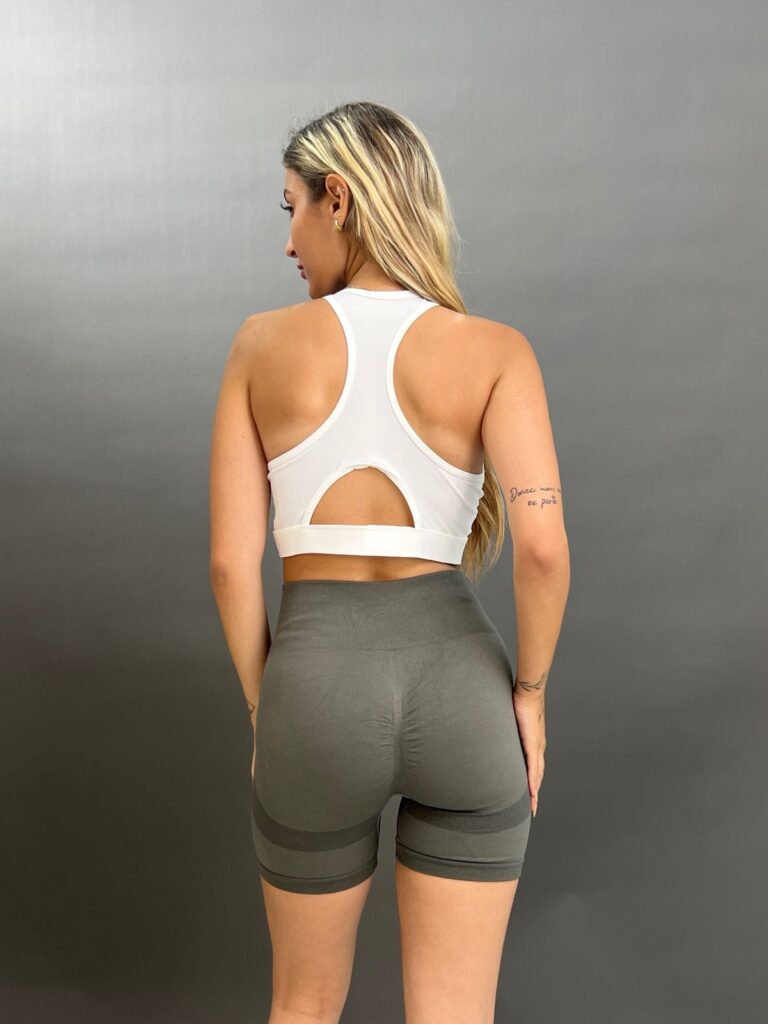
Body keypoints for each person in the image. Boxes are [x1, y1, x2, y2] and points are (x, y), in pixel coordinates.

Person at [209, 101, 570, 1024]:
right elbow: (542, 548)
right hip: (464, 693)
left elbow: (228, 566)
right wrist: (529, 696)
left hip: (315, 693)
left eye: (290, 207)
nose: (288, 240)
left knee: (301, 1005)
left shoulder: (259, 346)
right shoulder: (494, 350)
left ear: (337, 198)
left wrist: (265, 708)